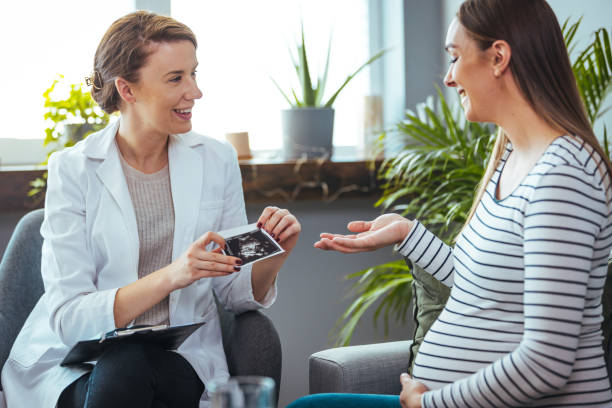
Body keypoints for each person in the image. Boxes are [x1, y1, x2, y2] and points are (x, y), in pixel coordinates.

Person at [290, 0, 612, 407]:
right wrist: (407, 234)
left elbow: (547, 363)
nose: (448, 77)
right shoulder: (513, 157)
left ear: (498, 57)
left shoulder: (565, 174)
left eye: (455, 57)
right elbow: (477, 284)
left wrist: (430, 403)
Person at [0, 11, 301, 408]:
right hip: (81, 363)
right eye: (176, 78)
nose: (195, 91)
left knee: (134, 365)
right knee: (125, 362)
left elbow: (234, 295)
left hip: (178, 359)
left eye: (194, 73)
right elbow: (69, 317)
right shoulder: (73, 170)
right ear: (127, 89)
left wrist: (275, 251)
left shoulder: (216, 160)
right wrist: (174, 275)